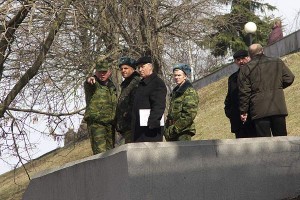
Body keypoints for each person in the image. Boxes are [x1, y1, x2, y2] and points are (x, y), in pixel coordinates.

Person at [238, 44, 295, 137]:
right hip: (278, 107)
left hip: (259, 110)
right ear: (263, 51)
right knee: (282, 140)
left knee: (265, 143)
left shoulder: (246, 69)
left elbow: (244, 92)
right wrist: (277, 88)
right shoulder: (277, 62)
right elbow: (289, 78)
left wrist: (243, 111)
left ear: (250, 55)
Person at [84, 59, 117, 154]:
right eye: (99, 72)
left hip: (110, 124)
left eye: (104, 72)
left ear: (109, 72)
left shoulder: (111, 86)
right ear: (95, 72)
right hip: (97, 124)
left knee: (111, 153)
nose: (102, 74)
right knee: (100, 154)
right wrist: (89, 80)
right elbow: (88, 83)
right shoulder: (93, 83)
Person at [132, 56, 167, 142]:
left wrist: (152, 123)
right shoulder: (141, 84)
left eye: (142, 67)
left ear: (150, 67)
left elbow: (159, 106)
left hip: (150, 131)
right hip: (139, 130)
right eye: (139, 67)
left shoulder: (157, 83)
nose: (140, 70)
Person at [224, 50, 257, 138]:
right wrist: (230, 112)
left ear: (249, 58)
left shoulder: (256, 73)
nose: (241, 61)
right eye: (238, 60)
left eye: (243, 58)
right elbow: (229, 98)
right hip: (238, 121)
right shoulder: (232, 78)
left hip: (254, 119)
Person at [164, 63, 199, 141]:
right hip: (172, 131)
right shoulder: (175, 92)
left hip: (183, 132)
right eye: (175, 75)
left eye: (179, 75)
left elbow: (189, 114)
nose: (176, 77)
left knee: (184, 153)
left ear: (185, 76)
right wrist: (167, 128)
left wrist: (175, 128)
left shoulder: (189, 91)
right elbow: (171, 113)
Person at [115, 56, 141, 144]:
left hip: (133, 125)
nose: (123, 71)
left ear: (133, 69)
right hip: (125, 126)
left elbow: (136, 103)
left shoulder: (136, 82)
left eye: (126, 68)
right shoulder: (126, 83)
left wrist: (128, 114)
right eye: (121, 69)